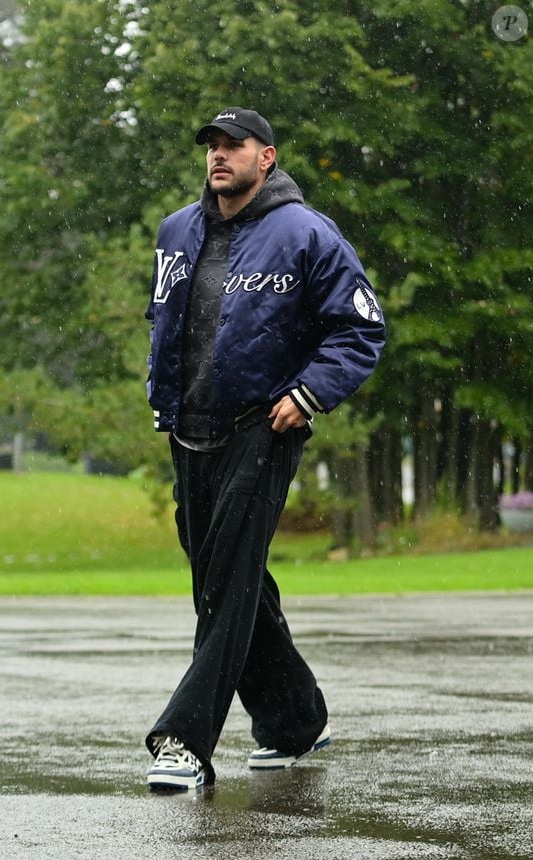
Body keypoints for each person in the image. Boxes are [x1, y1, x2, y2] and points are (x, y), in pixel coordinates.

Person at [144, 107, 385, 790]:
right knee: (223, 578)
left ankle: (184, 742)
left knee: (225, 586)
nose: (219, 157)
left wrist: (307, 394)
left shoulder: (306, 233)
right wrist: (161, 400)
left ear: (267, 157)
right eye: (212, 147)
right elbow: (162, 323)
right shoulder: (175, 231)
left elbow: (360, 328)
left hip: (263, 426)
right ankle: (294, 720)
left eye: (234, 146)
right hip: (188, 429)